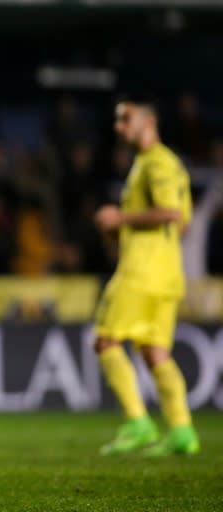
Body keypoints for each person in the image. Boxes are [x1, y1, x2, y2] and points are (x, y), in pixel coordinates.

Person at [93, 92, 199, 456]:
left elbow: (169, 212)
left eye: (126, 119)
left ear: (148, 122)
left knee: (105, 341)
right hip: (169, 273)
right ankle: (182, 430)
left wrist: (120, 219)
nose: (119, 126)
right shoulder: (169, 164)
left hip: (141, 272)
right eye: (118, 120)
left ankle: (138, 422)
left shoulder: (156, 162)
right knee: (156, 353)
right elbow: (182, 221)